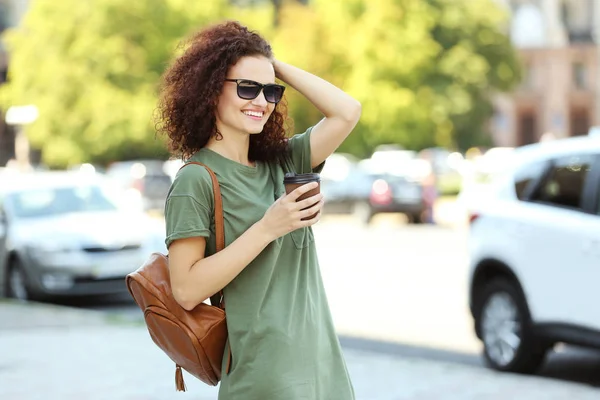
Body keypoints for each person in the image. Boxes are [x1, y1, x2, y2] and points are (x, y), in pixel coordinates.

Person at [156, 21, 361, 400]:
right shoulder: (196, 181)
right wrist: (269, 227)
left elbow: (347, 112)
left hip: (322, 366)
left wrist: (270, 64)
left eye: (271, 91)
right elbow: (185, 290)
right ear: (211, 88)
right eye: (247, 88)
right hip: (263, 375)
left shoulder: (283, 160)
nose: (261, 101)